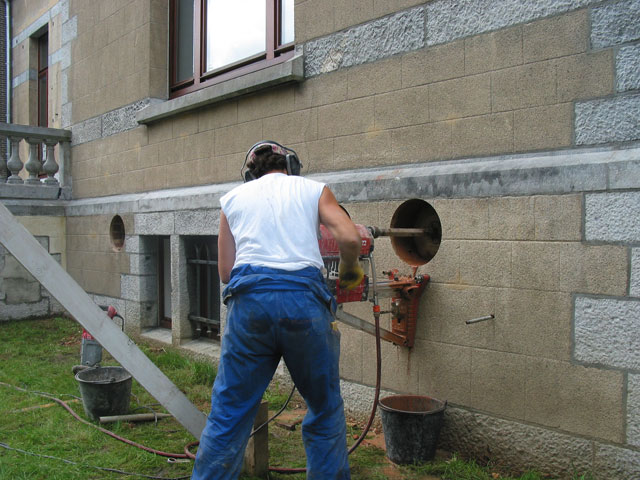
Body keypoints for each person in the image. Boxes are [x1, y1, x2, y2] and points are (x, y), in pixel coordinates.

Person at [191, 141, 364, 480]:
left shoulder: (233, 200)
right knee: (325, 410)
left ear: (249, 175)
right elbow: (349, 237)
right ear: (291, 167)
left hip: (250, 308)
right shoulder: (313, 190)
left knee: (229, 413)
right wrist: (348, 270)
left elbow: (226, 273)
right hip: (304, 305)